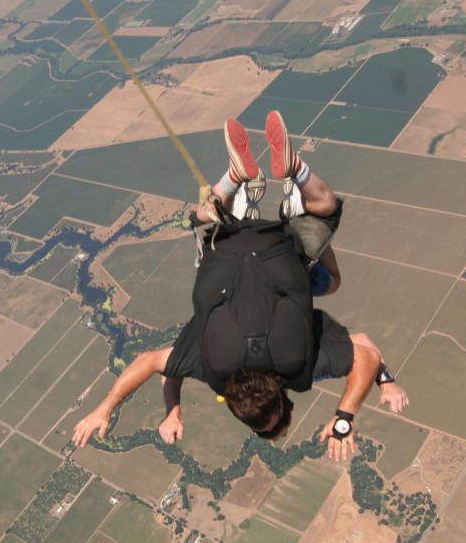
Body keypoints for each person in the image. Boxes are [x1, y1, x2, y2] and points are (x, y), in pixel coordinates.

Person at [73, 111, 408, 461]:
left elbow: (365, 353)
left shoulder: (301, 368)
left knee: (326, 212)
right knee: (202, 222)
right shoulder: (212, 370)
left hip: (278, 249)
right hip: (222, 253)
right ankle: (234, 179)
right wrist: (111, 408)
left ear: (285, 398)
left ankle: (295, 178)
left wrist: (345, 417)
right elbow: (152, 363)